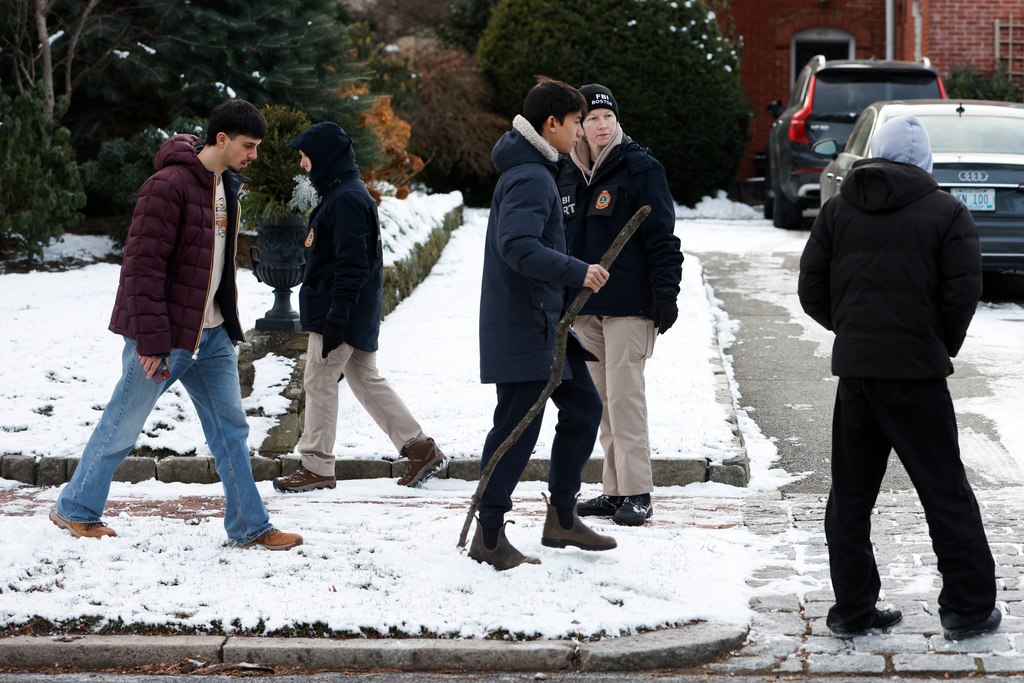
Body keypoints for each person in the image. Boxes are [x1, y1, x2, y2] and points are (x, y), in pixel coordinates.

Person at [51, 100, 302, 550]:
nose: (254, 155)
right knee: (123, 426)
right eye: (249, 145)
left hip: (213, 335)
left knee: (232, 433)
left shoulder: (227, 186)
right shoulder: (166, 186)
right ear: (221, 139)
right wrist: (151, 341)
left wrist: (225, 324)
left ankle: (249, 525)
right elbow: (142, 268)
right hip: (166, 337)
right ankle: (75, 509)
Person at [798, 115, 1000, 640]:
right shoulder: (948, 212)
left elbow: (811, 289)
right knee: (945, 492)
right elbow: (961, 294)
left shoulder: (839, 208)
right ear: (925, 161)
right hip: (916, 375)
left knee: (850, 497)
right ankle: (968, 608)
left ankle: (851, 610)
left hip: (859, 375)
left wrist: (856, 331)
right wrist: (933, 344)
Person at [471, 77, 617, 571]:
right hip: (524, 325)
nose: (580, 133)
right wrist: (577, 270)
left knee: (582, 407)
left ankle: (562, 516)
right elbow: (518, 247)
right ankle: (489, 535)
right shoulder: (531, 176)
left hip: (545, 323)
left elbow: (534, 244)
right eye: (576, 122)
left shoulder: (533, 169)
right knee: (516, 427)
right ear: (551, 124)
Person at [272, 122, 447, 493]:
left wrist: (336, 318)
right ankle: (420, 449)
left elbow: (353, 265)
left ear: (323, 158)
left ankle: (316, 465)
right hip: (349, 310)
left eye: (306, 156)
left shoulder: (347, 199)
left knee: (319, 381)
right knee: (364, 378)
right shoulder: (343, 194)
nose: (303, 164)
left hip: (339, 312)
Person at [558, 84, 682, 527]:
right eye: (592, 119)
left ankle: (637, 491)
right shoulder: (566, 173)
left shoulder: (639, 167)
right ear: (580, 126)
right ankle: (614, 492)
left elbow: (663, 237)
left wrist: (666, 293)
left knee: (626, 398)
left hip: (630, 304)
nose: (602, 126)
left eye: (608, 117)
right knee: (601, 401)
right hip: (585, 309)